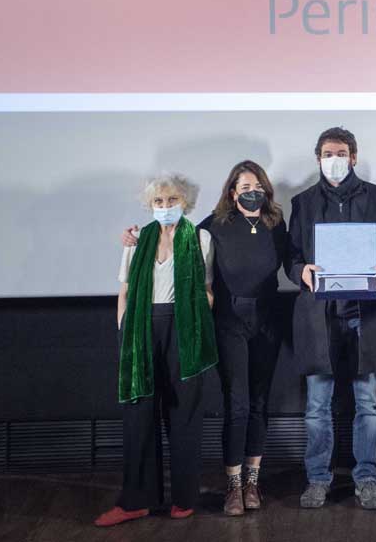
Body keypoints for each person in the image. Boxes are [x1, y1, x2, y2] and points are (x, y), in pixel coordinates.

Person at [120, 161, 289, 515]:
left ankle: (252, 482)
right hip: (228, 324)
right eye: (244, 186)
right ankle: (232, 485)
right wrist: (133, 238)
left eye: (256, 185)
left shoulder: (276, 224)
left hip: (268, 322)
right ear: (231, 191)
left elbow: (286, 264)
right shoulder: (211, 227)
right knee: (237, 404)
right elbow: (182, 258)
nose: (251, 191)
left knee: (259, 403)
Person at [286, 127, 376, 510]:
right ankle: (318, 478)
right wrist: (299, 270)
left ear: (354, 156)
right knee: (318, 404)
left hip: (364, 313)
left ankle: (366, 478)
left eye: (341, 152)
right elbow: (292, 256)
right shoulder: (302, 202)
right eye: (327, 152)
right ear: (317, 157)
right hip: (320, 315)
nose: (334, 159)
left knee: (367, 402)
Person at [95, 173, 217, 527]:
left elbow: (208, 288)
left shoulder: (200, 237)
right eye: (159, 202)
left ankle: (184, 497)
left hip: (184, 328)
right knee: (139, 413)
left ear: (185, 202)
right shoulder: (137, 239)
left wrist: (197, 322)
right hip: (142, 326)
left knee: (184, 413)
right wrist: (124, 332)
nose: (166, 207)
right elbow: (125, 291)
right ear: (150, 206)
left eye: (172, 200)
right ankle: (136, 500)